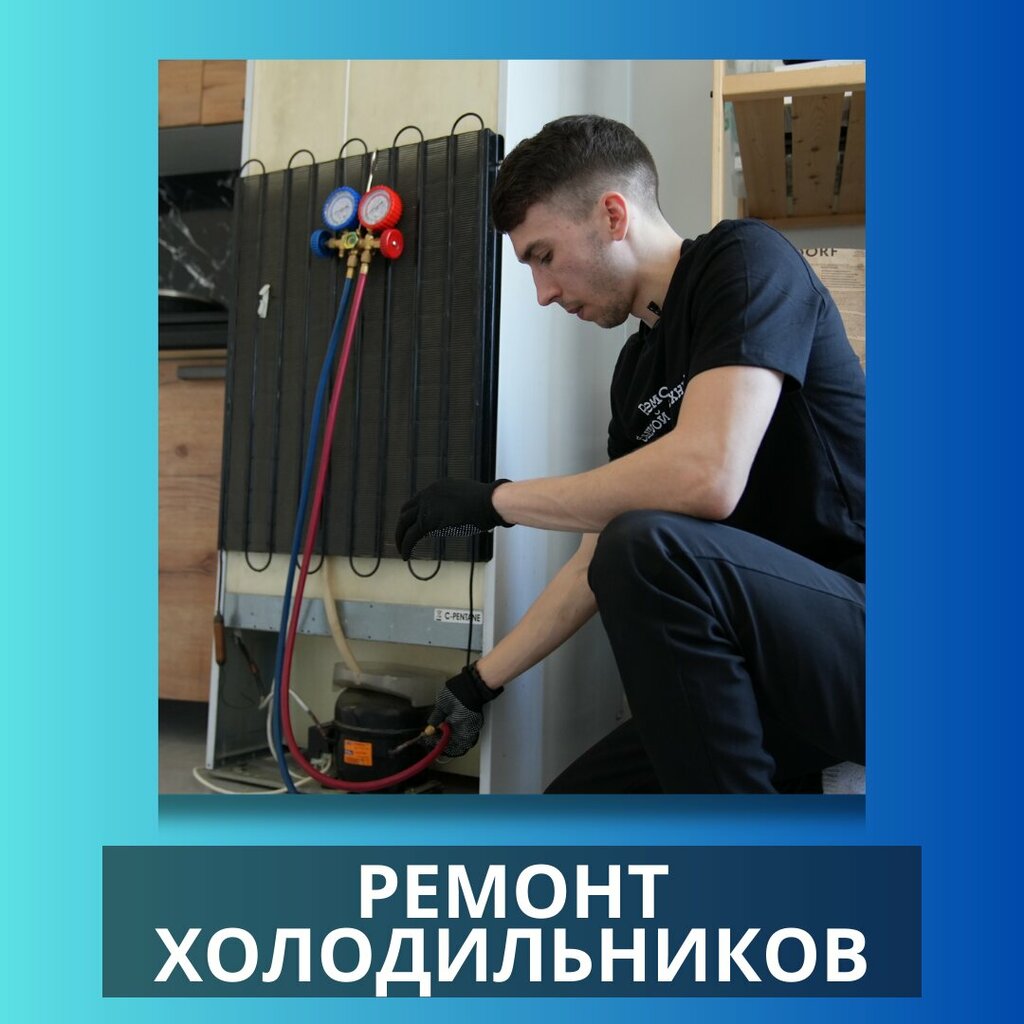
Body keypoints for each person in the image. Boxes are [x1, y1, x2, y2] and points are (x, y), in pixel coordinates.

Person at [394, 114, 865, 794]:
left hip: (865, 640)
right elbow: (594, 562)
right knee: (568, 815)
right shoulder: (636, 374)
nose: (543, 293)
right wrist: (480, 680)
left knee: (643, 546)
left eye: (544, 256)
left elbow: (708, 475)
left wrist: (498, 501)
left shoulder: (745, 262)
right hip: (762, 671)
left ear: (613, 216)